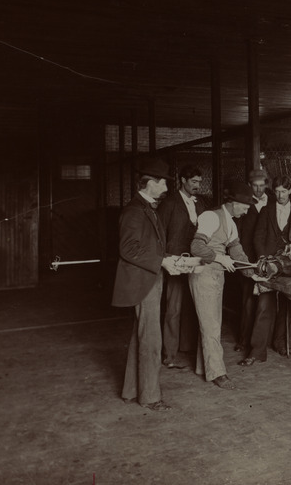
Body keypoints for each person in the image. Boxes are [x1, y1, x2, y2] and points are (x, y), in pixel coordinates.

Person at [111, 157, 182, 411]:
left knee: (141, 335)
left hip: (149, 277)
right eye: (163, 181)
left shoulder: (147, 207)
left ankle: (131, 390)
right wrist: (161, 261)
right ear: (150, 182)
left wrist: (167, 258)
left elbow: (149, 246)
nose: (166, 186)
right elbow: (128, 249)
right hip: (144, 282)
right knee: (151, 339)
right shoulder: (134, 211)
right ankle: (151, 397)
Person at [189, 180, 255, 389]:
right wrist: (219, 257)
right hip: (203, 275)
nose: (245, 212)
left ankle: (204, 367)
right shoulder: (211, 217)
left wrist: (252, 273)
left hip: (217, 277)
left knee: (211, 322)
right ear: (233, 203)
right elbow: (196, 247)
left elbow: (236, 252)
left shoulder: (232, 223)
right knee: (211, 325)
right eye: (244, 207)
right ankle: (217, 372)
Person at [240, 175, 291, 365]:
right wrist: (262, 257)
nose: (280, 195)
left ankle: (279, 342)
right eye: (277, 191)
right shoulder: (266, 210)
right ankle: (257, 350)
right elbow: (258, 236)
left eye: (283, 192)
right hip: (268, 263)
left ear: (290, 191)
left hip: (287, 264)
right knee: (263, 305)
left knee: (287, 306)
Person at [157, 164, 204, 370]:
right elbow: (160, 233)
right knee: (173, 308)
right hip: (175, 262)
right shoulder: (169, 203)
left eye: (199, 182)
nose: (197, 186)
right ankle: (169, 353)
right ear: (183, 181)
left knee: (192, 305)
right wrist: (166, 258)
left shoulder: (201, 203)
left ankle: (187, 346)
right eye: (194, 182)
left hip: (195, 260)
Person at [235, 168, 271, 354]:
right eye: (255, 186)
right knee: (248, 301)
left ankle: (263, 341)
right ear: (250, 186)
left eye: (261, 185)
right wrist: (241, 261)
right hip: (247, 259)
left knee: (265, 301)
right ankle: (243, 341)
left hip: (266, 259)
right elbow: (238, 235)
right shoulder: (244, 204)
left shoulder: (272, 203)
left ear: (266, 185)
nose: (258, 190)